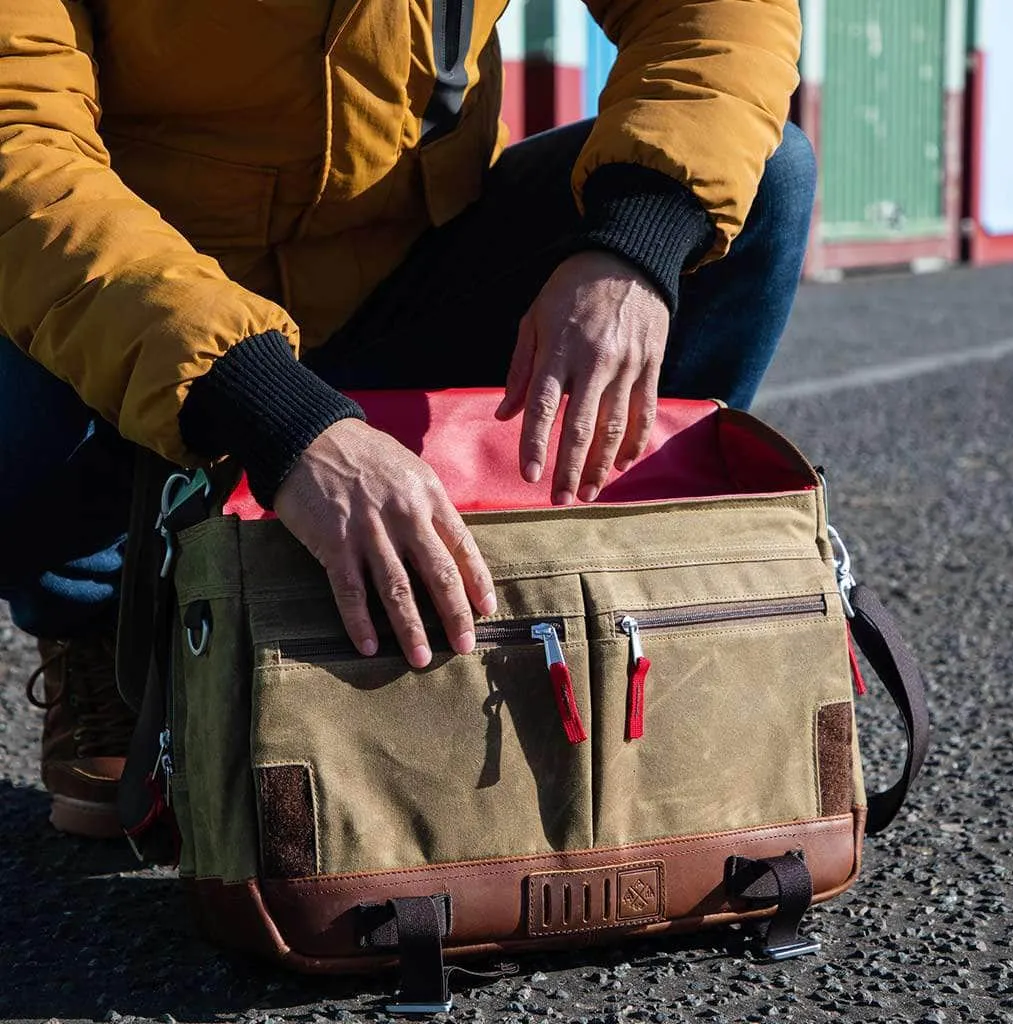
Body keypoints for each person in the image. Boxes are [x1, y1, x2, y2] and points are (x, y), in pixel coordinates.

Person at [0, 0, 814, 838]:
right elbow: (19, 151)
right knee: (16, 271)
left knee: (760, 177)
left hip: (394, 284)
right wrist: (273, 412)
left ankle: (596, 616)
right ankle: (100, 626)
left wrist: (632, 243)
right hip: (136, 321)